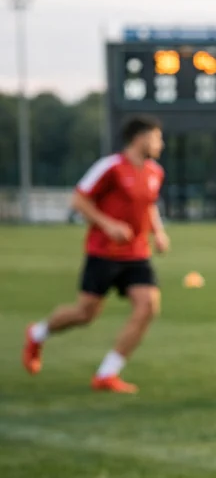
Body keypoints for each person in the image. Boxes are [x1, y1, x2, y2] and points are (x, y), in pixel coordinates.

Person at [22, 115, 170, 394]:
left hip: (137, 253)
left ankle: (107, 373)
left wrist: (158, 232)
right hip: (104, 252)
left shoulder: (155, 172)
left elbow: (149, 205)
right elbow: (78, 200)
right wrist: (108, 224)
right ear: (140, 138)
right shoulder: (111, 167)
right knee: (85, 313)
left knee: (148, 306)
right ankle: (37, 333)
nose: (160, 144)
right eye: (156, 138)